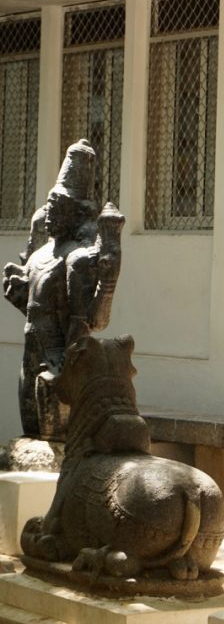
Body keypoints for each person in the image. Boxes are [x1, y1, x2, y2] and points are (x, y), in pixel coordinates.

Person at [3, 139, 124, 439]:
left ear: (75, 212)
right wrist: (17, 291)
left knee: (53, 439)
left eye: (59, 206)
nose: (51, 212)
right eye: (50, 204)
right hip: (31, 352)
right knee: (30, 433)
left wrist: (67, 365)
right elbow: (35, 304)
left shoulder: (76, 259)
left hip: (56, 359)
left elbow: (89, 321)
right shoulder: (41, 254)